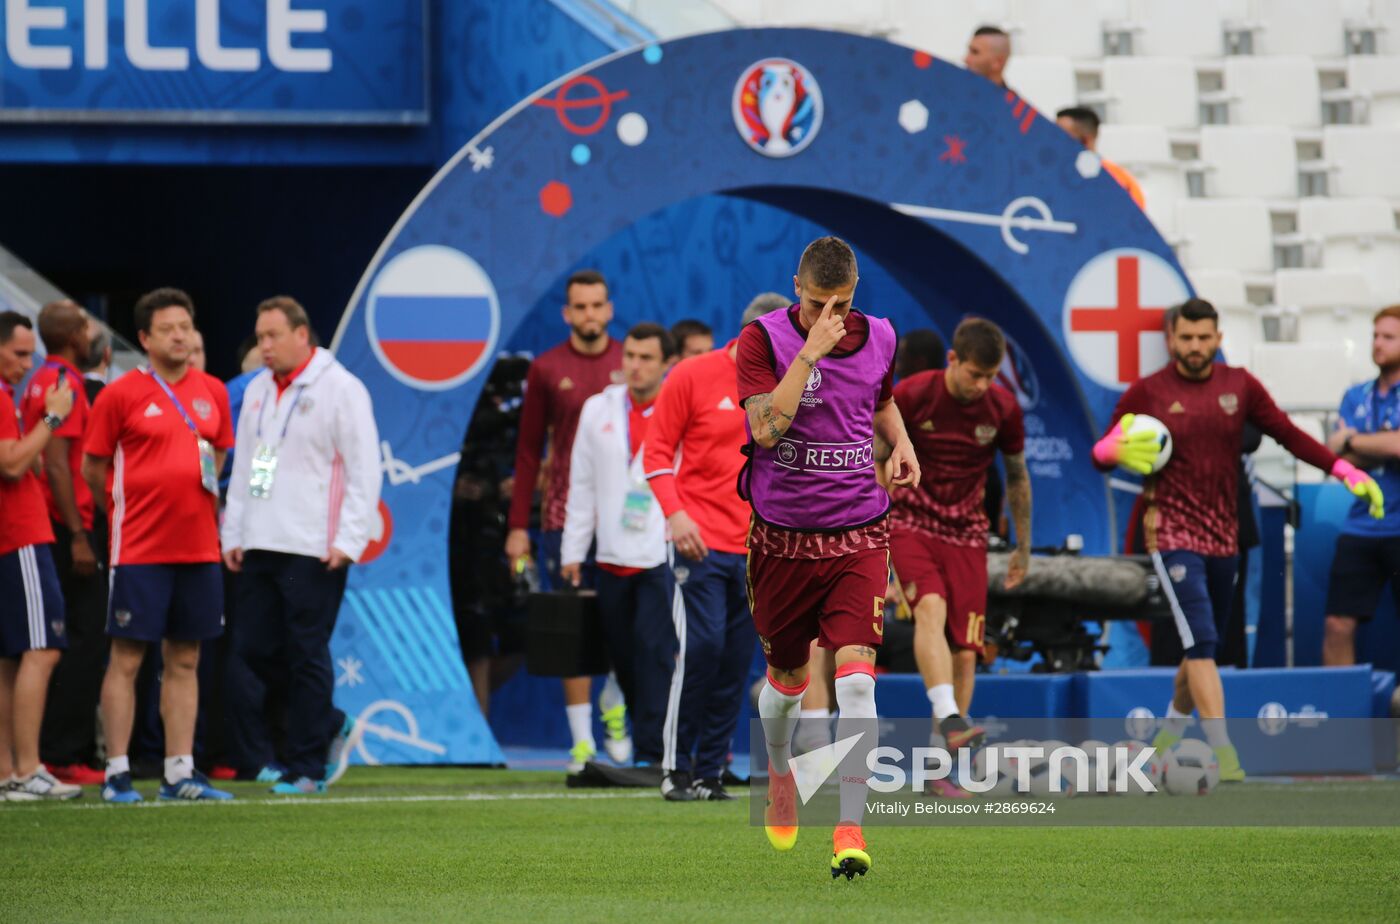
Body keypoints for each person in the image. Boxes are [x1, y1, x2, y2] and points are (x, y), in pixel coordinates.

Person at [1092, 297, 1383, 782]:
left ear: (1219, 338)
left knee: (1198, 645)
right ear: (1171, 340)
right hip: (1171, 532)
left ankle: (1167, 734)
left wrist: (1344, 469)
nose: (1196, 347)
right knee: (1203, 640)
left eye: (1205, 338)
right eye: (1186, 338)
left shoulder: (1240, 386)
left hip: (1223, 535)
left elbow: (1289, 434)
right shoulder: (1148, 392)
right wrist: (1109, 449)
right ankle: (1224, 754)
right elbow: (1102, 452)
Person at [738, 236, 919, 879]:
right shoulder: (762, 342)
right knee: (786, 685)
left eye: (842, 303)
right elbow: (765, 430)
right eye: (818, 304)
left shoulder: (881, 337)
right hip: (781, 540)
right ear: (797, 289)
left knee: (856, 679)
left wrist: (901, 444)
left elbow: (883, 400)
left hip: (859, 533)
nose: (830, 316)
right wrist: (809, 357)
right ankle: (781, 769)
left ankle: (850, 826)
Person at [82, 288, 236, 803]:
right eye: (168, 328)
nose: (180, 335)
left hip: (199, 549)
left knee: (186, 659)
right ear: (144, 338)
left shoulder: (213, 389)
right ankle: (117, 771)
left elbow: (219, 453)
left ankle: (178, 772)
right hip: (140, 550)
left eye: (186, 326)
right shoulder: (120, 394)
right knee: (127, 657)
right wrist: (125, 514)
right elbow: (93, 466)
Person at [221, 297, 380, 794]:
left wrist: (349, 539)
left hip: (314, 545)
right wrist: (234, 532)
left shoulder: (341, 388)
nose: (263, 347)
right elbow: (246, 466)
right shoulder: (257, 392)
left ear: (301, 334)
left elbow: (364, 468)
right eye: (259, 337)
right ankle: (329, 721)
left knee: (306, 651)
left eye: (272, 336)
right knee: (254, 650)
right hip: (261, 540)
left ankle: (307, 767)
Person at [889, 318, 1029, 798]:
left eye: (990, 376)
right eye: (974, 374)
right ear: (952, 360)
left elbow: (1016, 477)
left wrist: (1023, 546)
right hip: (910, 524)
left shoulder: (1003, 409)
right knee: (931, 608)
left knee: (966, 651)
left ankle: (940, 769)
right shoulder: (913, 395)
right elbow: (874, 446)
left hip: (968, 534)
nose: (981, 385)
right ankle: (951, 718)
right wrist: (874, 501)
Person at [505, 269, 629, 771]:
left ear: (609, 308)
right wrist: (519, 525)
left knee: (627, 624)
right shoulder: (546, 368)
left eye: (597, 305)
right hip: (563, 516)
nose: (590, 315)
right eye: (580, 307)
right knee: (573, 626)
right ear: (567, 313)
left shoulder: (632, 361)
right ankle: (581, 742)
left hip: (627, 520)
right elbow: (528, 451)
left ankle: (616, 704)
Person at [643, 309, 757, 802]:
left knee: (736, 661)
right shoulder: (693, 374)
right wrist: (676, 514)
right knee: (703, 648)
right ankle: (673, 767)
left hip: (759, 551)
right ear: (753, 335)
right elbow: (655, 453)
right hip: (700, 542)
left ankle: (709, 773)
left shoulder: (792, 386)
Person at [561, 323, 678, 767]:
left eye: (646, 357)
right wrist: (573, 551)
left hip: (660, 554)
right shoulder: (597, 408)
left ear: (667, 363)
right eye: (630, 355)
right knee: (624, 660)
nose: (635, 365)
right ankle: (647, 744)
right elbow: (582, 484)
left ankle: (655, 753)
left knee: (655, 655)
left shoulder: (677, 405)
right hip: (609, 554)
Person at [23, 301, 105, 785]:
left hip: (52, 523)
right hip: (65, 526)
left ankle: (54, 750)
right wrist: (77, 534)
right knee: (83, 639)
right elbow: (55, 463)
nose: (92, 331)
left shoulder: (37, 379)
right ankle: (64, 752)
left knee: (62, 639)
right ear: (75, 336)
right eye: (86, 324)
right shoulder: (65, 383)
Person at [0, 311, 80, 800]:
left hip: (13, 536)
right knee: (43, 648)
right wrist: (52, 416)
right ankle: (28, 769)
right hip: (20, 534)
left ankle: (9, 771)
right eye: (19, 354)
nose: (27, 364)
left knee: (9, 659)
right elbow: (13, 463)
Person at [1324, 305, 1400, 666]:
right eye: (1375, 335)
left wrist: (1353, 439)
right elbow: (1337, 459)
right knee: (1338, 624)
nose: (1378, 344)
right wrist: (1380, 444)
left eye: (1388, 337)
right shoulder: (1355, 394)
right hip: (1361, 525)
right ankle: (1342, 718)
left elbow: (1396, 447)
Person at [1055, 106, 1147, 210]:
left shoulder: (1121, 182)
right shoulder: (1050, 175)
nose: (1054, 142)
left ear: (1086, 140)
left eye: (1062, 137)